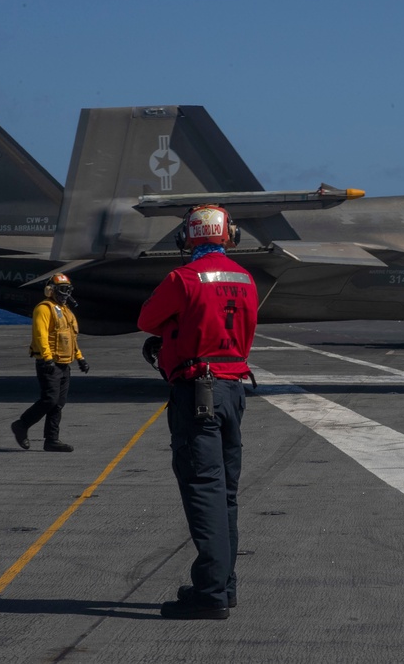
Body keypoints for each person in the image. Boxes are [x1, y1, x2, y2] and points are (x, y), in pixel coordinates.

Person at [137, 204, 257, 620]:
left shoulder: (182, 278)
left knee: (203, 489)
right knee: (224, 494)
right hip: (232, 391)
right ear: (230, 236)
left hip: (197, 395)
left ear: (186, 238)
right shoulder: (245, 278)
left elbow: (146, 318)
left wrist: (173, 332)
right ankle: (225, 585)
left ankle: (210, 593)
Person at [10, 273, 89, 453]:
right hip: (49, 363)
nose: (65, 293)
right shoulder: (44, 309)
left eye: (68, 290)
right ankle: (21, 425)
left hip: (64, 363)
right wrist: (47, 358)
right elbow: (41, 336)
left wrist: (80, 358)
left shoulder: (66, 311)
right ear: (50, 290)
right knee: (49, 400)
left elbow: (71, 337)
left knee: (58, 403)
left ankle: (51, 440)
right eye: (62, 290)